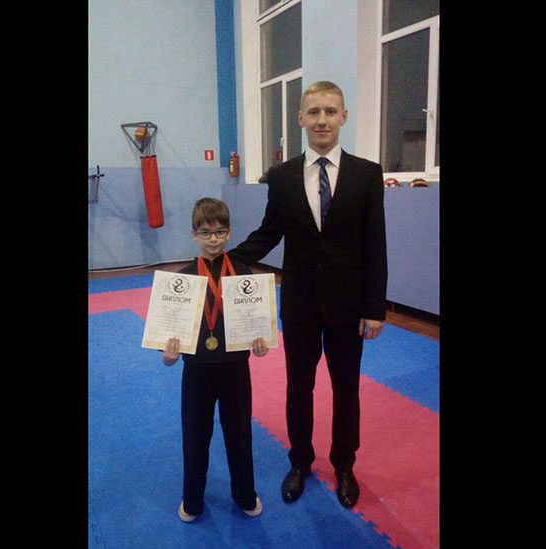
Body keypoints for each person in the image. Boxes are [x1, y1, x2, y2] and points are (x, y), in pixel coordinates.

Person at [228, 81, 387, 509]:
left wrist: (374, 308)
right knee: (299, 387)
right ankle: (299, 461)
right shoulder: (282, 177)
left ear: (344, 117)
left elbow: (376, 244)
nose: (322, 120)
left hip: (349, 306)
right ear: (300, 118)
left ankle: (344, 464)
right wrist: (223, 262)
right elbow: (268, 233)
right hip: (299, 304)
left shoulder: (367, 174)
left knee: (346, 389)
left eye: (330, 111)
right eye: (313, 112)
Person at [162, 197, 270, 523]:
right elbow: (168, 337)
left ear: (229, 233)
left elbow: (257, 328)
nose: (213, 239)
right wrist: (168, 357)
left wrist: (260, 345)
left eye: (220, 232)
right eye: (206, 232)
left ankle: (245, 493)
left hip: (236, 368)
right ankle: (193, 499)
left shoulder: (243, 274)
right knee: (195, 436)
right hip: (196, 371)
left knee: (240, 434)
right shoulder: (182, 279)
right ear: (194, 234)